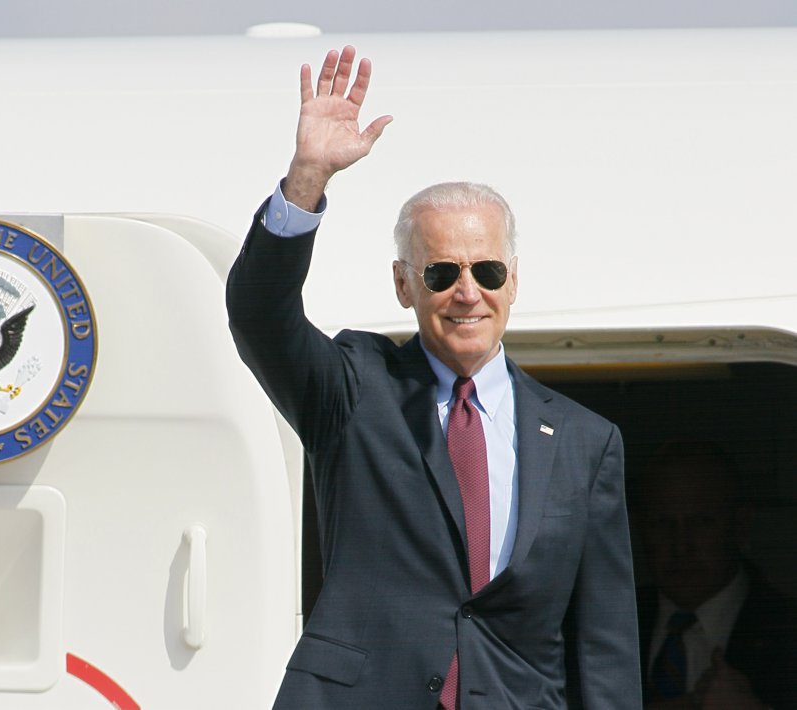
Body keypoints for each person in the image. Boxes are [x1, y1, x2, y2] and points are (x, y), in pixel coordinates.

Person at [226, 46, 641, 709]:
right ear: (403, 285)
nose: (467, 293)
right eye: (442, 274)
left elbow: (605, 643)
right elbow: (258, 316)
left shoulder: (585, 442)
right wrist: (307, 177)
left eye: (488, 271)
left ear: (513, 281)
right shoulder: (354, 389)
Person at [635, 441, 797, 709]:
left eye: (701, 522)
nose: (681, 545)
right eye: (662, 523)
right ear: (640, 530)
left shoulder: (787, 632)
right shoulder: (604, 625)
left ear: (740, 525)